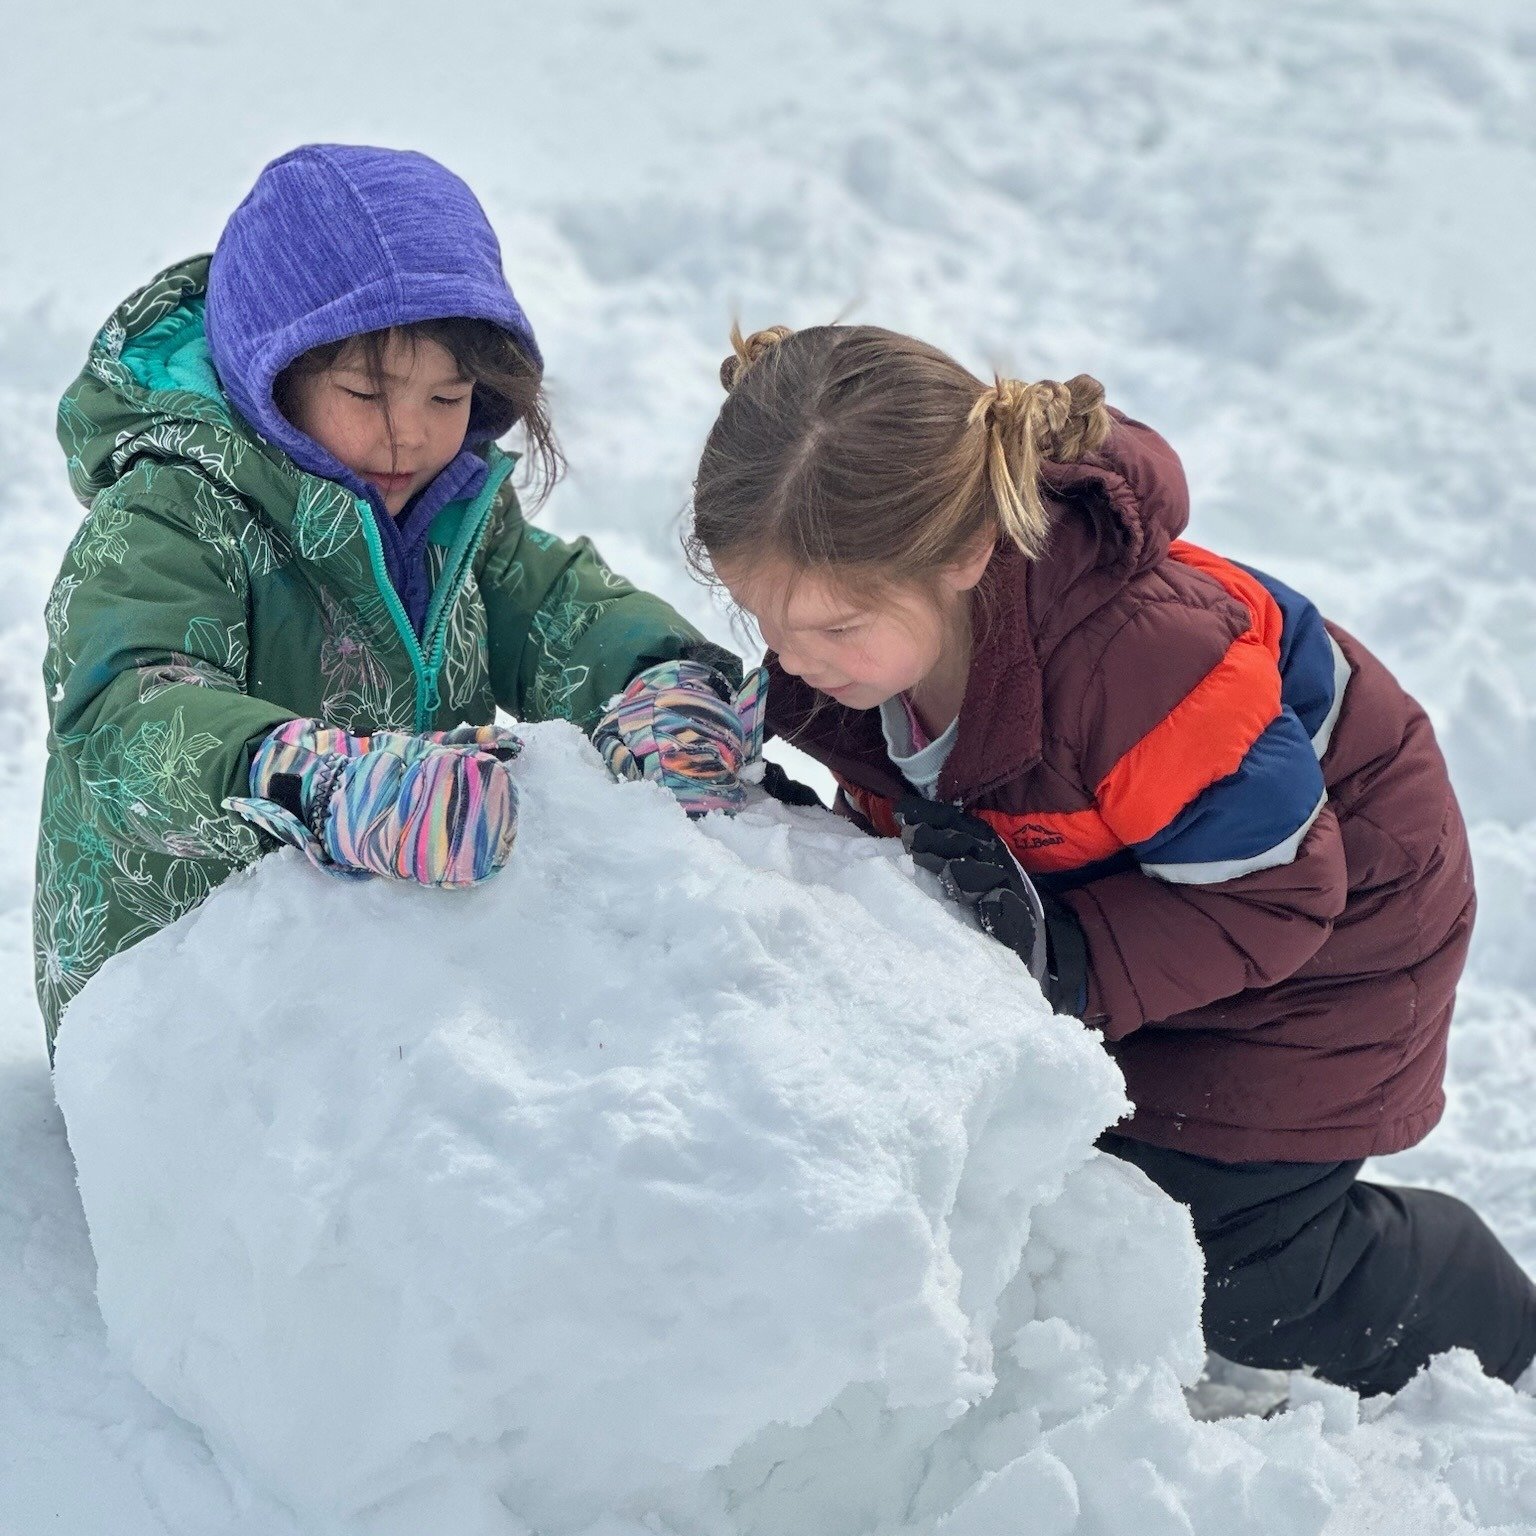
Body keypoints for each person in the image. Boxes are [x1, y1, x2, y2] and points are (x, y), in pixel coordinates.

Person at [685, 321, 1536, 1397]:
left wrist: (1071, 959)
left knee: (1237, 1259)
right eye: (767, 618)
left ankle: (1486, 1313)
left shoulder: (1137, 664)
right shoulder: (858, 651)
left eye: (836, 626)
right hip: (1153, 891)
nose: (796, 659)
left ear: (963, 554)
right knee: (1066, 1159)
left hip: (1331, 924)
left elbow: (1281, 893)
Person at [36, 143, 761, 1058]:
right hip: (178, 997)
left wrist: (661, 678)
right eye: (366, 391)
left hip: (379, 958)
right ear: (272, 374)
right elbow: (127, 713)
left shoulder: (446, 508)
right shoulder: (172, 513)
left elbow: (553, 607)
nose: (409, 432)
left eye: (448, 395)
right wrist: (313, 782)